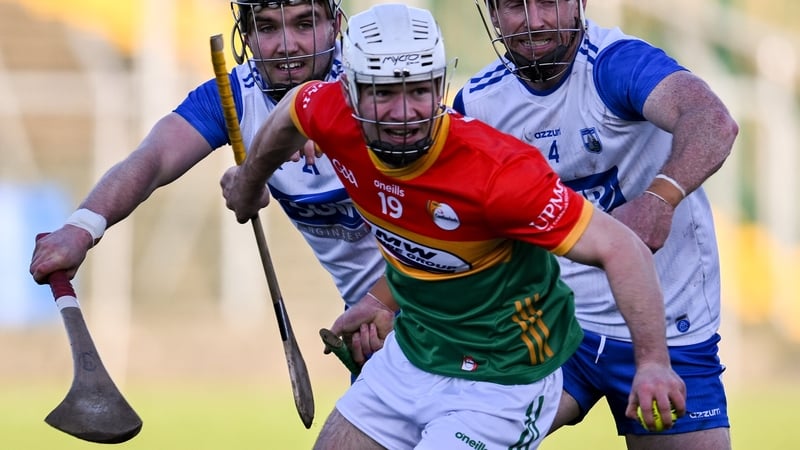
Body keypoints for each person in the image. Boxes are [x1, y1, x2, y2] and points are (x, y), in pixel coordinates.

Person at [220, 4, 686, 449]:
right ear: (350, 91)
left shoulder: (499, 174)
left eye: (419, 91)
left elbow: (622, 247)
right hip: (415, 353)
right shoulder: (330, 113)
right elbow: (293, 112)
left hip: (504, 381)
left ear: (439, 85)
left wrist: (653, 363)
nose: (403, 114)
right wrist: (249, 180)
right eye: (383, 93)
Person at [29, 0, 392, 359]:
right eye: (267, 27)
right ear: (245, 36)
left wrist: (317, 123)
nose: (287, 45)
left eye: (304, 23)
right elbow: (154, 158)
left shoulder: (378, 84)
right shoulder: (235, 96)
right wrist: (82, 226)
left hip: (431, 299)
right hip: (371, 318)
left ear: (336, 25)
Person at [453, 1, 738, 449]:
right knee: (452, 439)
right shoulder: (477, 104)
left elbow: (713, 121)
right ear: (491, 14)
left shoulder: (615, 65)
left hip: (667, 329)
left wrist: (659, 200)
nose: (534, 21)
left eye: (547, 1)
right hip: (558, 330)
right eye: (513, 5)